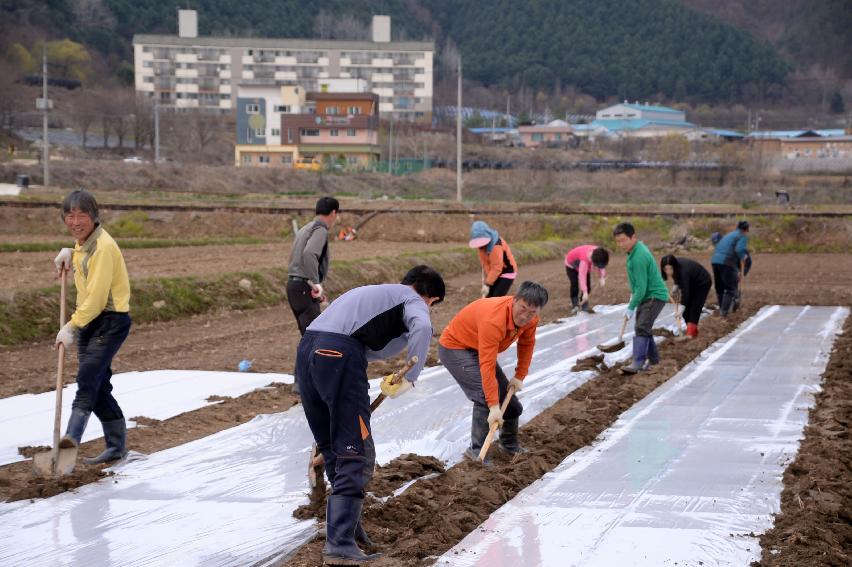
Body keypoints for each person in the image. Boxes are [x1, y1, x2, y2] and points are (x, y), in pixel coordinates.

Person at [295, 265, 445, 565]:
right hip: (339, 355)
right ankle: (339, 544)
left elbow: (359, 341)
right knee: (355, 449)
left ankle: (348, 529)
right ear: (428, 294)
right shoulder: (411, 299)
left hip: (306, 352)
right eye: (434, 303)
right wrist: (410, 376)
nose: (429, 308)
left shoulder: (370, 293)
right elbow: (424, 328)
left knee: (333, 447)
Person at [53, 190, 132, 466]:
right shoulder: (84, 244)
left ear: (94, 218)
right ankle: (116, 447)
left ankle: (69, 443)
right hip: (92, 321)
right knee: (98, 386)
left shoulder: (103, 247)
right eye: (70, 216)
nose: (75, 221)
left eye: (81, 216)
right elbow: (83, 261)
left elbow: (97, 299)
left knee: (87, 379)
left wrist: (71, 327)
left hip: (110, 321)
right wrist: (71, 254)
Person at [438, 281, 549, 463]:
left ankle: (509, 445)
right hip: (455, 347)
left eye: (532, 312)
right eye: (522, 308)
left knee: (511, 405)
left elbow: (527, 344)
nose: (525, 316)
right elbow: (487, 365)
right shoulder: (493, 320)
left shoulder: (531, 319)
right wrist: (493, 406)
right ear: (515, 300)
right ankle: (477, 452)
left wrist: (520, 375)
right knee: (485, 395)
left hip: (478, 346)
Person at [612, 222, 670, 374]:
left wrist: (631, 306)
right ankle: (655, 360)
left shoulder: (639, 256)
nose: (620, 244)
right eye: (618, 241)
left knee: (641, 327)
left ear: (633, 237)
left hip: (653, 296)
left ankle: (638, 361)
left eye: (623, 240)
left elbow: (642, 288)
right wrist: (634, 294)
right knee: (643, 327)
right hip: (647, 295)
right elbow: (638, 284)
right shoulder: (634, 251)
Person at [287, 196, 339, 335]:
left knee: (308, 337)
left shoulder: (306, 228)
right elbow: (309, 253)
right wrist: (316, 283)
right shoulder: (320, 229)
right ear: (334, 213)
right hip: (304, 288)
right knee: (316, 337)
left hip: (295, 287)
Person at [659, 255, 711, 340]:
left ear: (674, 267)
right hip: (691, 282)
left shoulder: (683, 272)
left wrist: (680, 310)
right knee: (686, 311)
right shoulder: (677, 268)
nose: (668, 272)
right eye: (666, 269)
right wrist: (675, 287)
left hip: (702, 282)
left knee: (694, 307)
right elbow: (677, 277)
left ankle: (690, 333)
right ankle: (691, 330)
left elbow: (685, 293)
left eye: (670, 269)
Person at [468, 220, 518, 298]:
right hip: (495, 273)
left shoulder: (496, 246)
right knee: (488, 298)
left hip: (507, 272)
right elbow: (485, 264)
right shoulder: (481, 247)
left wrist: (487, 283)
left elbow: (497, 267)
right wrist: (488, 281)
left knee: (496, 297)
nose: (480, 246)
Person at [711, 220, 750, 317]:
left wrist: (741, 272)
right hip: (726, 262)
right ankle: (723, 313)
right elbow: (739, 250)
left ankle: (722, 308)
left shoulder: (730, 235)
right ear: (746, 230)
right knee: (730, 289)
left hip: (715, 261)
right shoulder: (742, 236)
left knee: (719, 287)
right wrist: (743, 257)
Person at [564, 245, 609, 313]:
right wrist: (585, 292)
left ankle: (584, 305)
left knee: (588, 286)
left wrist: (602, 277)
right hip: (571, 265)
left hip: (584, 266)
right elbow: (582, 277)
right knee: (574, 284)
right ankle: (575, 305)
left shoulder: (600, 254)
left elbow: (601, 267)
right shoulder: (584, 261)